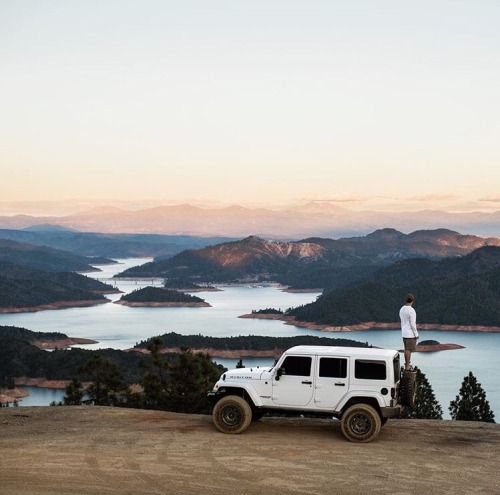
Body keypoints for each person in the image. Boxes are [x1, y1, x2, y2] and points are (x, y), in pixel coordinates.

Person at [400, 293, 418, 370]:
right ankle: (407, 366)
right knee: (408, 350)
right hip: (410, 333)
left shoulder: (402, 309)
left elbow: (402, 321)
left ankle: (407, 364)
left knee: (406, 349)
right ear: (412, 301)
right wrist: (416, 334)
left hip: (404, 332)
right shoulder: (411, 310)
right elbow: (412, 324)